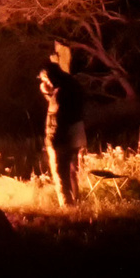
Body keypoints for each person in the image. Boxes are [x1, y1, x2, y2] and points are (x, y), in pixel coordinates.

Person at [37, 62, 86, 204]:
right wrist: (48, 93)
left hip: (62, 137)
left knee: (60, 173)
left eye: (45, 80)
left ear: (49, 76)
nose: (44, 83)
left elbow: (56, 117)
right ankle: (76, 202)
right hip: (77, 133)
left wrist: (52, 142)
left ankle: (67, 207)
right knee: (72, 172)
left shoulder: (60, 94)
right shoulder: (73, 86)